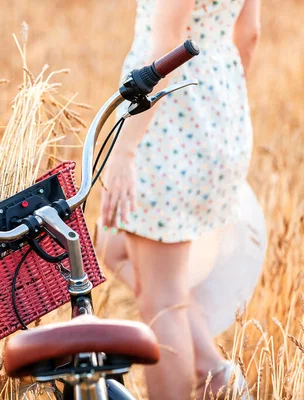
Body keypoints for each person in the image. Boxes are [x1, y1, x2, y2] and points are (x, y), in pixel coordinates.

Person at [98, 0, 261, 398]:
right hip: (215, 113)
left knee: (163, 302)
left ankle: (211, 377)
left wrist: (125, 150)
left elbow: (170, 40)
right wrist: (223, 108)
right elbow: (249, 32)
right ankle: (212, 368)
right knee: (114, 246)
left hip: (168, 124)